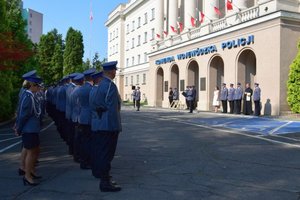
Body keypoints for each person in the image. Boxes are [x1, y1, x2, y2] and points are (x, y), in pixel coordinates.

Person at [90, 61, 122, 192]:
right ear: (111, 71)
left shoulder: (100, 85)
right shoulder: (109, 85)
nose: (116, 72)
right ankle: (105, 182)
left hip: (102, 124)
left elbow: (95, 102)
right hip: (109, 125)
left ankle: (105, 178)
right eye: (115, 70)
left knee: (103, 153)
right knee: (106, 154)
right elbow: (107, 106)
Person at [14, 73, 43, 186]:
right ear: (32, 85)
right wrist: (19, 128)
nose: (39, 87)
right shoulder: (27, 97)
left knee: (35, 151)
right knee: (31, 153)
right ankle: (27, 176)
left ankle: (30, 171)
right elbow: (22, 115)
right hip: (29, 129)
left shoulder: (31, 96)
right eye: (37, 85)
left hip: (33, 129)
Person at [77, 68, 96, 169]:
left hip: (83, 116)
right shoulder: (91, 89)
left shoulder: (81, 88)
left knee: (84, 140)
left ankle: (84, 161)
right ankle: (87, 161)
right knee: (89, 141)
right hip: (89, 117)